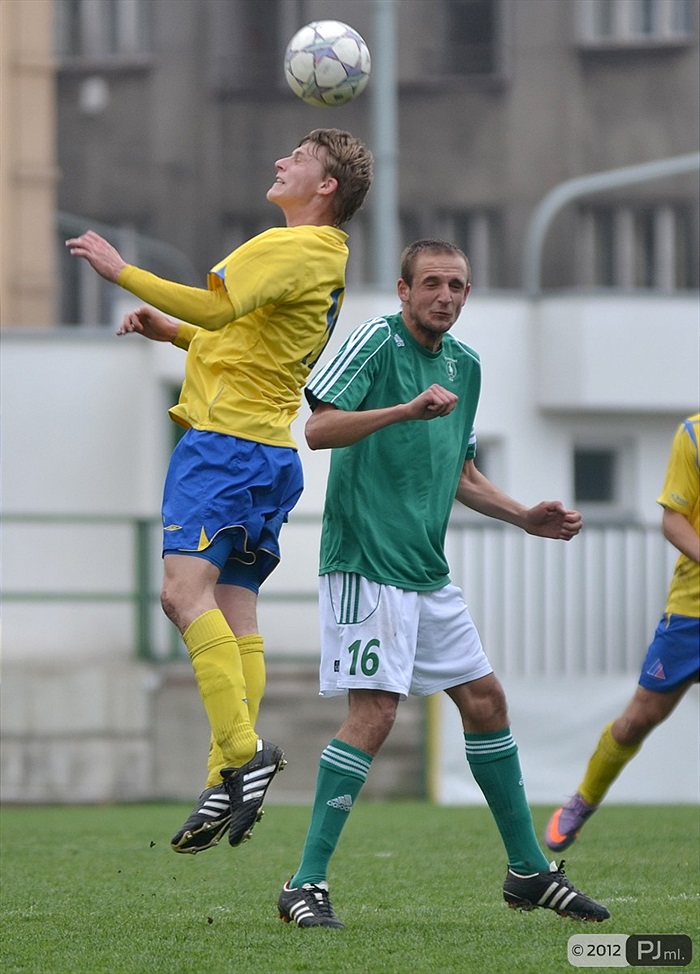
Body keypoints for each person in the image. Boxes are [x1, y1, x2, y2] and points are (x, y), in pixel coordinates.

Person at [276, 239, 610, 929]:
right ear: (403, 291)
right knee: (375, 714)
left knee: (486, 702)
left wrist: (523, 515)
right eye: (431, 284)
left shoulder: (466, 366)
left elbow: (459, 472)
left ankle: (528, 872)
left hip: (426, 571)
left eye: (457, 286)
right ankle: (303, 884)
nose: (446, 298)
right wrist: (403, 409)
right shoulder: (375, 341)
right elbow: (319, 429)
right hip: (364, 562)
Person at [66, 128, 373, 854]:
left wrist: (122, 272)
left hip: (225, 450)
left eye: (296, 158)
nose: (279, 161)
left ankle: (243, 756)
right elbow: (246, 340)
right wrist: (170, 334)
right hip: (269, 453)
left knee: (180, 595)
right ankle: (220, 781)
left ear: (325, 186)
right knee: (235, 612)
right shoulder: (327, 258)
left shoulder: (289, 245)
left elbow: (215, 310)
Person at [545, 414, 699, 852]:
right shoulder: (694, 433)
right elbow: (674, 519)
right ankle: (584, 800)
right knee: (636, 722)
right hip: (692, 611)